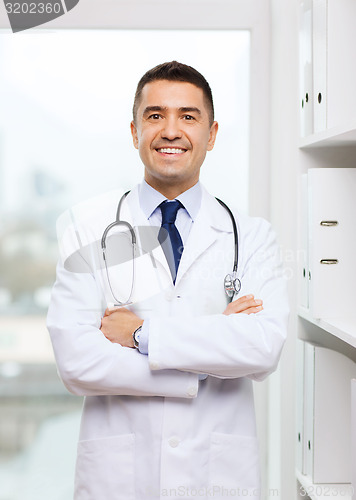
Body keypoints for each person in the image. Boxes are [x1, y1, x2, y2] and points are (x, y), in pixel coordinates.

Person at [47, 61, 289, 500]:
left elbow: (263, 346)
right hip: (119, 479)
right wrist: (203, 362)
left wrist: (141, 334)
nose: (171, 131)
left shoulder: (252, 237)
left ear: (211, 134)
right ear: (135, 132)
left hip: (216, 476)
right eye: (155, 115)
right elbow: (76, 361)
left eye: (188, 117)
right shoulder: (88, 231)